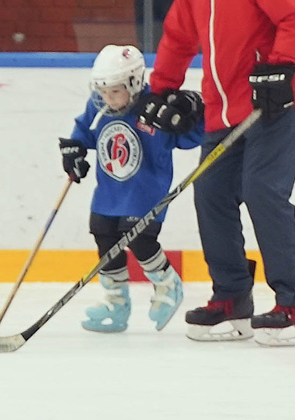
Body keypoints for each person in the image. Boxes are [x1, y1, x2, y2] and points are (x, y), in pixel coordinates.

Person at [138, 0, 295, 345]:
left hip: (274, 105)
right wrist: (160, 91)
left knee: (262, 191)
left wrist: (281, 68)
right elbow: (179, 39)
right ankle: (232, 299)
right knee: (212, 194)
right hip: (223, 109)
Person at [59, 43, 198, 333]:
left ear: (134, 83)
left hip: (145, 194)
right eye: (103, 92)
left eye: (115, 91)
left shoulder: (154, 108)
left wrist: (193, 109)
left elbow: (192, 134)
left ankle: (167, 286)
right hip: (109, 194)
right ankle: (116, 304)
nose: (107, 98)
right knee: (103, 237)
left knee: (139, 241)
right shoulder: (98, 107)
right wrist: (73, 151)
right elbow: (83, 131)